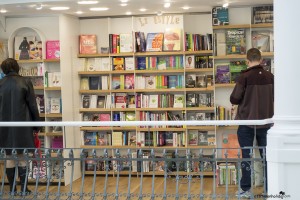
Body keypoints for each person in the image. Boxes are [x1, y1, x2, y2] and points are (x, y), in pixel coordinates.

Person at [230, 48, 274, 198]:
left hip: (246, 124)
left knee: (246, 157)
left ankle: (245, 190)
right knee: (268, 157)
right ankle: (270, 189)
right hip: (267, 124)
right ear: (261, 60)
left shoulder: (244, 77)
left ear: (247, 60)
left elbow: (234, 99)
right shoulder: (270, 77)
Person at [0, 58, 40, 195]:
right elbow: (32, 105)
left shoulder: (0, 83)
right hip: (23, 125)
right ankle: (23, 188)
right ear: (17, 67)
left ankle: (12, 189)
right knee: (23, 157)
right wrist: (37, 125)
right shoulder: (25, 82)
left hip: (4, 126)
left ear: (3, 69)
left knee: (9, 157)